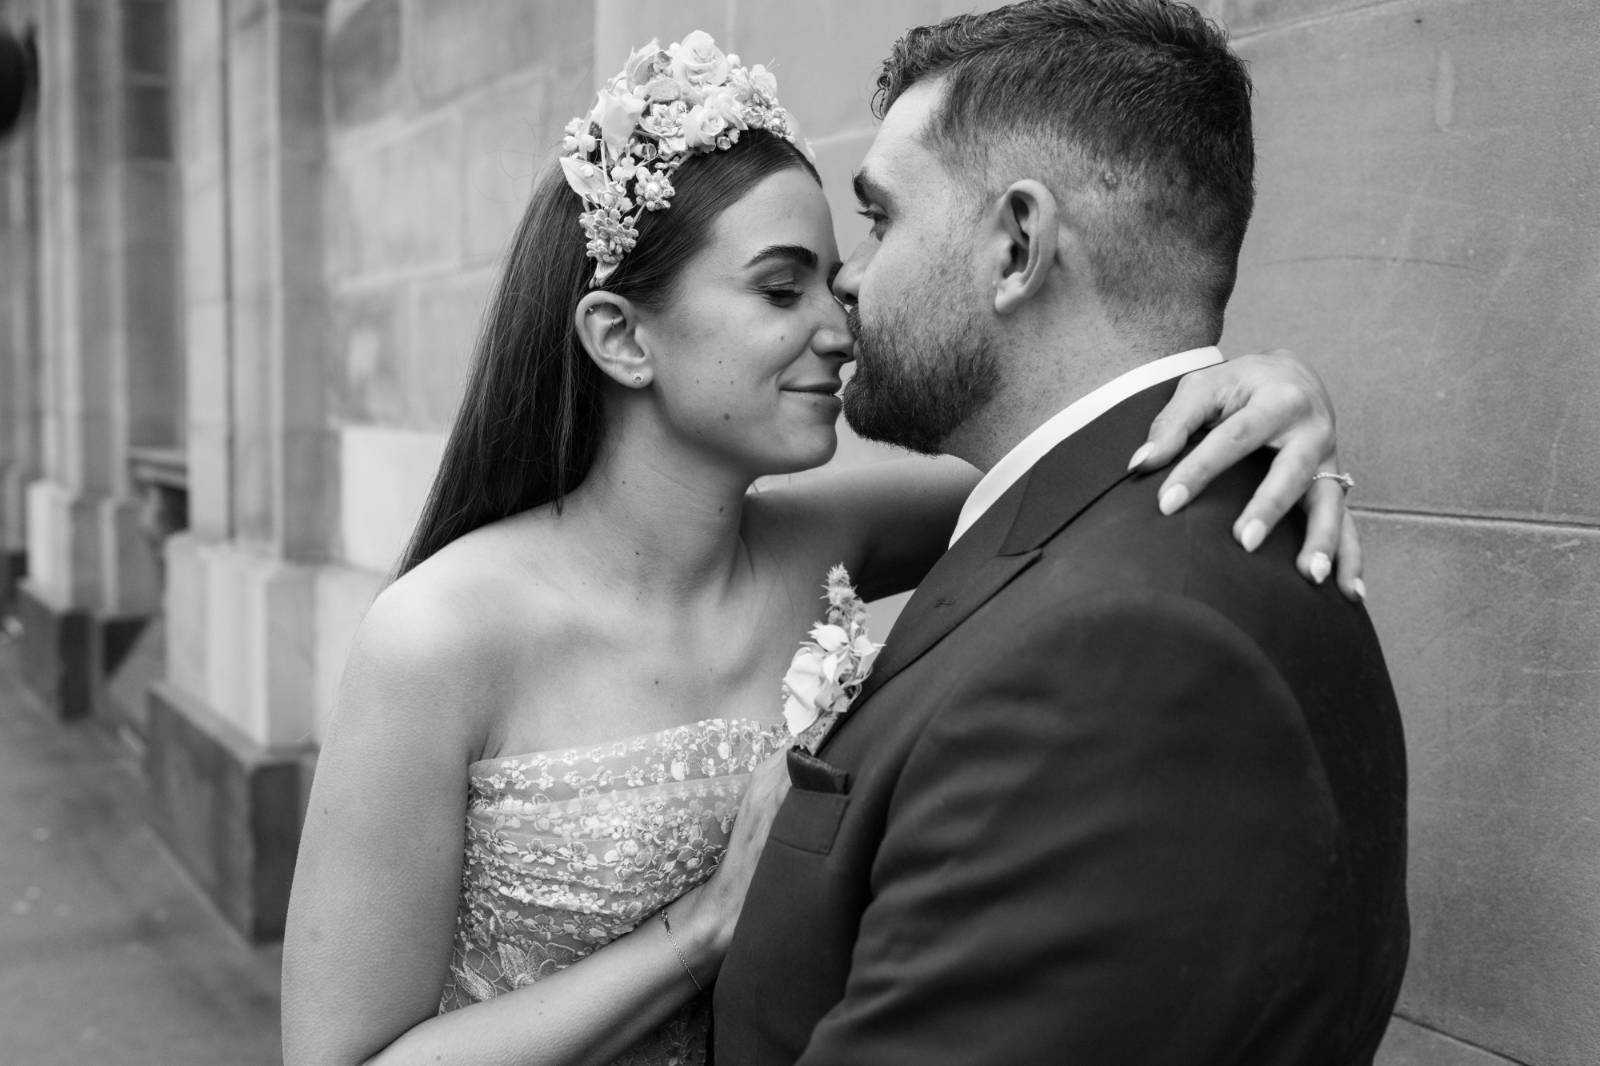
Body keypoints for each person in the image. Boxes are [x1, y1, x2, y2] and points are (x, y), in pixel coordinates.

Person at [281, 26, 1365, 1066]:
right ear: (620, 336)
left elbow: (1070, 462)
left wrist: (1257, 384)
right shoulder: (437, 636)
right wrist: (698, 934)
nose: (843, 319)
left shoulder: (832, 538)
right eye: (779, 286)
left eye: (848, 261)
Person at [714, 3, 1410, 1063]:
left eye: (882, 219)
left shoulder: (1122, 654)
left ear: (1018, 245)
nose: (849, 280)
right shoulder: (1125, 537)